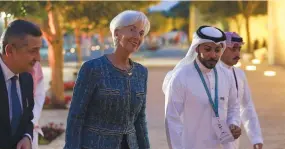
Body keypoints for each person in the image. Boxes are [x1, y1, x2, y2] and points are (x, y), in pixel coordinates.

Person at [64, 10, 151, 149]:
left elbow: (140, 119)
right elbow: (76, 116)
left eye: (141, 33)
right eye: (132, 30)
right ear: (117, 33)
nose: (137, 36)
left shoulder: (141, 72)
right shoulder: (92, 68)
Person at [163, 25, 241, 149]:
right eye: (207, 49)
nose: (213, 55)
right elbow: (172, 119)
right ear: (197, 48)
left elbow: (234, 107)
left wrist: (234, 123)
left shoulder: (226, 75)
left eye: (217, 50)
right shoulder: (181, 77)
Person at [0, 20, 42, 149]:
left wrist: (27, 137)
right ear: (10, 50)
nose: (38, 58)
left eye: (39, 50)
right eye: (32, 51)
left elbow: (28, 119)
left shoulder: (27, 80)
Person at [220, 32, 263, 149]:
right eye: (233, 49)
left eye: (239, 49)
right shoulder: (210, 74)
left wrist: (256, 138)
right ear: (221, 49)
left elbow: (246, 106)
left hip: (232, 139)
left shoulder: (239, 74)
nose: (238, 54)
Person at [30, 61, 45, 149]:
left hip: (31, 125)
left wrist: (33, 119)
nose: (38, 57)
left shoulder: (36, 65)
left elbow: (39, 95)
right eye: (33, 50)